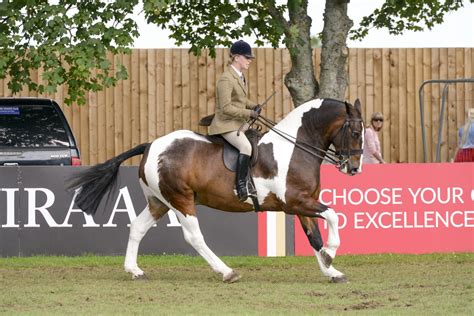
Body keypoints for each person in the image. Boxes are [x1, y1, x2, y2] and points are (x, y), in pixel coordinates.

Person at [208, 40, 260, 201]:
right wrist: (248, 112)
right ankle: (240, 186)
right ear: (236, 57)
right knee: (245, 146)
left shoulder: (239, 76)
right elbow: (226, 108)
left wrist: (255, 106)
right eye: (247, 57)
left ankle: (250, 181)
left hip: (237, 123)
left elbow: (241, 100)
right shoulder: (226, 79)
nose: (250, 60)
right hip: (225, 124)